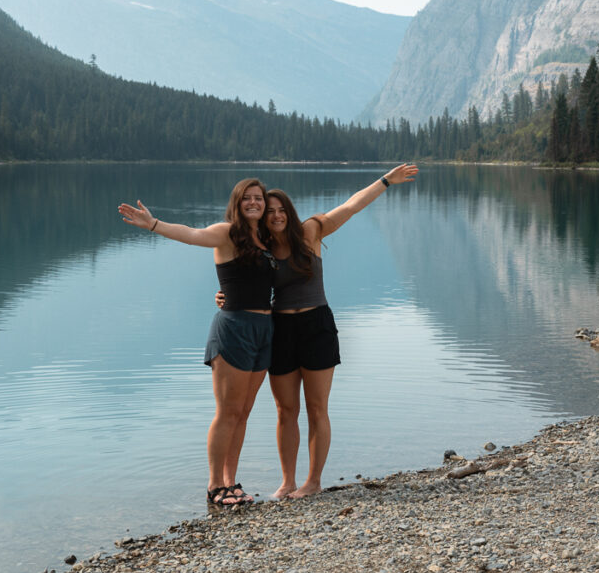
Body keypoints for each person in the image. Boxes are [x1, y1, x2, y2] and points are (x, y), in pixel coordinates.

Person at [217, 164, 418, 498]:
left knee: (317, 408)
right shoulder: (260, 247)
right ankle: (287, 482)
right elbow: (238, 278)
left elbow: (351, 206)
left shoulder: (311, 232)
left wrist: (385, 181)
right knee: (285, 411)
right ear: (263, 216)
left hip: (316, 326)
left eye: (282, 210)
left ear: (290, 213)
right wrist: (224, 296)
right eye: (271, 211)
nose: (277, 216)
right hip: (279, 328)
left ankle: (312, 482)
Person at [118, 179, 275, 508]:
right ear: (237, 202)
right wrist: (154, 224)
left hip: (264, 329)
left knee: (244, 412)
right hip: (234, 329)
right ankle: (215, 485)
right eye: (246, 198)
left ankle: (232, 481)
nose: (253, 203)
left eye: (258, 198)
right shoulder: (226, 233)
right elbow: (191, 235)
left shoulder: (268, 238)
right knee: (227, 412)